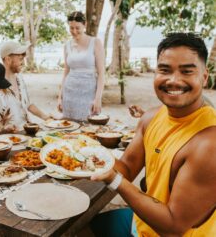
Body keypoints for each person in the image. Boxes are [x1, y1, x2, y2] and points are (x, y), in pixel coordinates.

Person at [91, 33, 216, 236]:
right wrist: (86, 151)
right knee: (84, 227)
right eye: (165, 70)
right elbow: (128, 168)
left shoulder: (209, 144)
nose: (174, 80)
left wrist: (115, 180)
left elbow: (173, 226)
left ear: (204, 77)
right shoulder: (151, 117)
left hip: (169, 229)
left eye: (186, 72)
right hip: (141, 224)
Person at [57, 11, 105, 121]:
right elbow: (66, 72)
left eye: (77, 28)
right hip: (69, 92)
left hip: (89, 92)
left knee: (89, 126)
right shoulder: (67, 45)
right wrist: (60, 97)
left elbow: (101, 73)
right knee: (68, 127)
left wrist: (98, 98)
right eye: (71, 28)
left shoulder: (95, 43)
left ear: (85, 25)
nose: (74, 31)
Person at [0, 41, 51, 128]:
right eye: (20, 59)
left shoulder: (19, 77)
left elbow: (27, 104)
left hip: (26, 128)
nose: (23, 63)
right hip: (9, 136)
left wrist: (46, 117)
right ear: (8, 59)